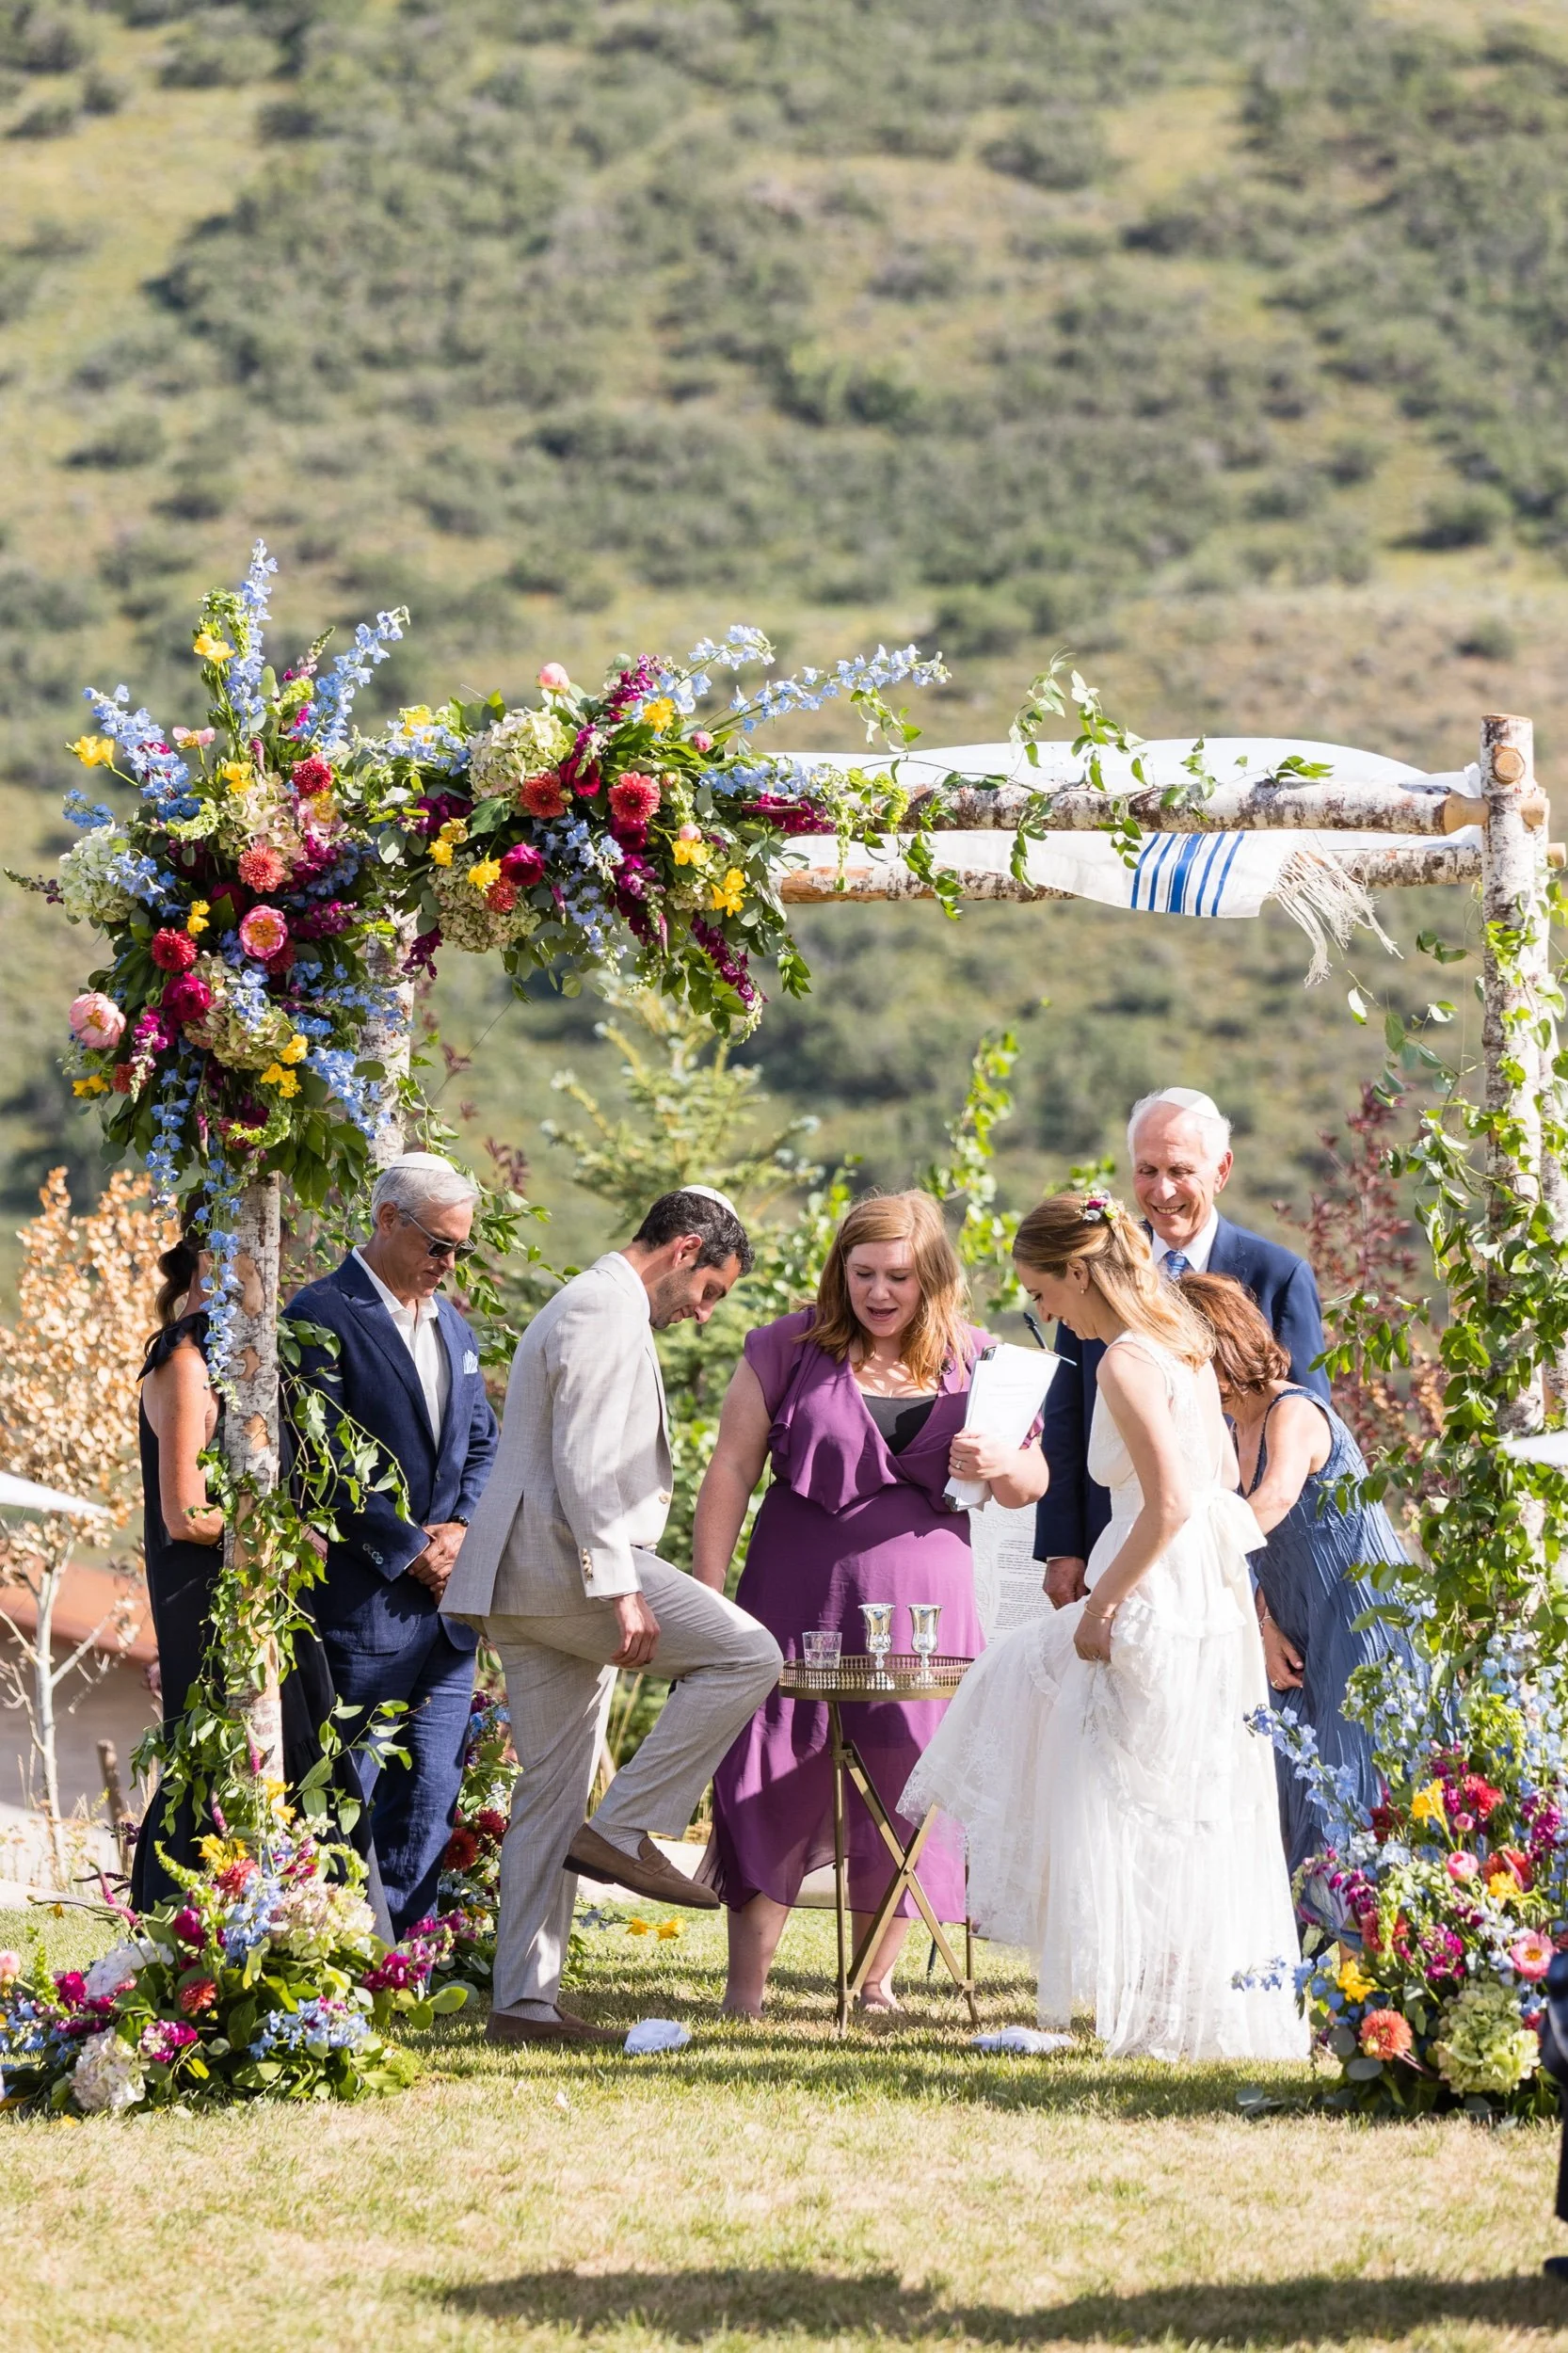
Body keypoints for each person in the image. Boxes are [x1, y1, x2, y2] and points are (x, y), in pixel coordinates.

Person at [904, 1193, 1305, 2062]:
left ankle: (1154, 2002)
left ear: (1078, 1273)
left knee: (1125, 1785)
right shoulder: (1183, 1344)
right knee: (1167, 1791)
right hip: (1198, 1583)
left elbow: (1164, 1502)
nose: (1042, 1312)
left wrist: (1107, 1605)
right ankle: (1163, 1998)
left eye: (1041, 1292)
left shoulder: (1128, 1358)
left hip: (1153, 1582)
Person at [442, 1188, 783, 2047]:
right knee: (749, 1654)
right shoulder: (603, 1308)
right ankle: (625, 1827)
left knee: (549, 1791)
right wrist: (616, 1582)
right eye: (710, 1291)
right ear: (686, 1250)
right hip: (566, 1570)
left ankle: (522, 2005)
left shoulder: (588, 1301)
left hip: (525, 1587)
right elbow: (588, 1461)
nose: (703, 1313)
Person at [693, 1192, 1048, 2016]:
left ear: (932, 1279)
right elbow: (730, 1472)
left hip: (930, 1612)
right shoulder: (787, 1347)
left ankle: (871, 1984)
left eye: (898, 1276)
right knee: (770, 1773)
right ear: (839, 1272)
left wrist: (1000, 1457)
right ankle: (744, 1992)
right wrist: (708, 1601)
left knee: (915, 1785)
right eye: (863, 1274)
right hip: (794, 1598)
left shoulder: (981, 1361)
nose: (879, 1293)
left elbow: (1031, 1486)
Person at [289, 1152, 499, 1936]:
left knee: (432, 1791)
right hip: (364, 1604)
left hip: (448, 1612)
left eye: (460, 1251)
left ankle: (407, 1961)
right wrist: (414, 1549)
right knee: (351, 1787)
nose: (448, 1265)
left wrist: (465, 1533)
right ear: (387, 1221)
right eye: (439, 1246)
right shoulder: (320, 1313)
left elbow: (485, 1445)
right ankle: (335, 1957)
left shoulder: (454, 1326)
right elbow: (321, 1463)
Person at [133, 1226, 367, 1911]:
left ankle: (291, 1917)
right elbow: (184, 1514)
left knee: (299, 1745)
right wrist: (281, 1535)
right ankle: (181, 1920)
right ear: (217, 1255)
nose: (279, 1268)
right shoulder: (185, 1362)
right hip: (210, 1596)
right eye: (262, 1249)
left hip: (267, 1589)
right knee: (217, 1762)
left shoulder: (242, 1359)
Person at [1036, 1087, 1328, 1610]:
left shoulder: (1278, 1276)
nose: (1162, 1189)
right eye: (1146, 1170)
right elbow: (1067, 1418)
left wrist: (1277, 1597)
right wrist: (1064, 1550)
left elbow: (1301, 1439)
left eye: (1180, 1170)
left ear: (1221, 1170)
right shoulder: (1093, 1271)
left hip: (1235, 1568)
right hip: (1115, 1554)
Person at [1179, 1271, 1414, 1878]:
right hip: (1295, 1622)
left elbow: (1274, 1501)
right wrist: (1263, 1623)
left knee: (1362, 1782)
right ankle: (1315, 1950)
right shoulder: (1232, 1426)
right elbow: (1255, 1549)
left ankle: (1376, 1952)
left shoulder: (1295, 1410)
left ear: (1219, 1348)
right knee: (1297, 1776)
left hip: (1361, 1619)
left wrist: (1182, 1556)